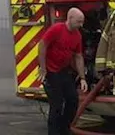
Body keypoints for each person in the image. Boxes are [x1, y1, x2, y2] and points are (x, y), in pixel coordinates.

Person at [38, 7, 87, 135]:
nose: (81, 25)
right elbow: (42, 45)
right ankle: (53, 132)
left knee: (73, 100)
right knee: (57, 105)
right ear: (70, 19)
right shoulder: (57, 29)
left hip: (63, 71)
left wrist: (82, 78)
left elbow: (78, 56)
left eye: (82, 22)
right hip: (51, 71)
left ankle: (64, 129)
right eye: (79, 22)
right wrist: (43, 69)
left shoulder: (77, 35)